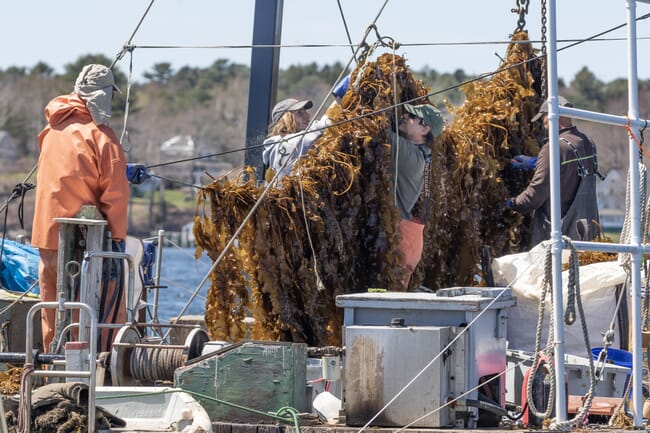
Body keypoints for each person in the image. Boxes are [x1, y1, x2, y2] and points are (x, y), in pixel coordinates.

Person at [32, 64, 131, 353]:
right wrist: (118, 238)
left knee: (54, 302)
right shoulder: (102, 136)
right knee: (100, 300)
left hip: (47, 237)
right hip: (86, 242)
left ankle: (53, 361)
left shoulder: (51, 129)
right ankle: (97, 363)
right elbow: (116, 195)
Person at [507, 96, 601, 246]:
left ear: (552, 116)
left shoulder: (553, 147)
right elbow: (569, 169)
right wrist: (537, 162)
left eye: (543, 117)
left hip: (561, 237)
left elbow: (535, 194)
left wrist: (512, 204)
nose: (543, 124)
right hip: (588, 231)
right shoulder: (587, 143)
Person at [391, 103, 444, 290]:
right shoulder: (423, 154)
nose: (404, 116)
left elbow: (377, 132)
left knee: (384, 296)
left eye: (411, 116)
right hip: (410, 236)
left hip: (400, 239)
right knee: (392, 297)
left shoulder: (408, 153)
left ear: (424, 129)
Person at [262, 98, 330, 181]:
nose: (307, 116)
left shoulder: (303, 144)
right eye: (300, 112)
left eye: (305, 111)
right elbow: (306, 138)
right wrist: (337, 100)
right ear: (285, 118)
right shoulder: (279, 145)